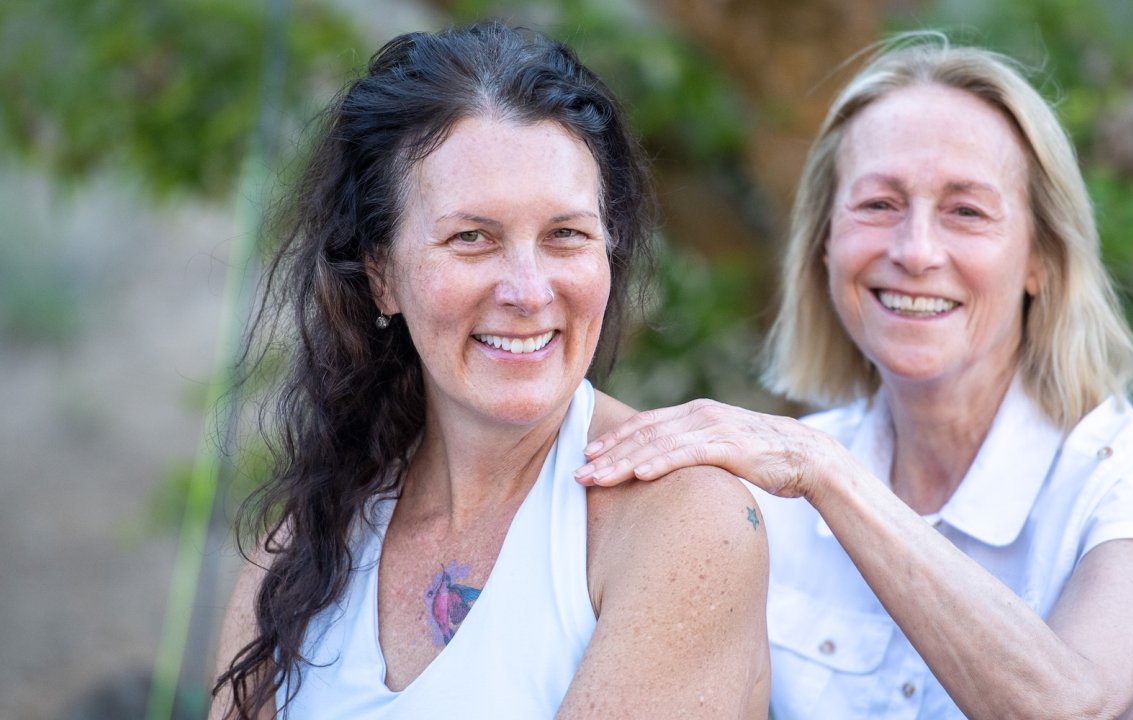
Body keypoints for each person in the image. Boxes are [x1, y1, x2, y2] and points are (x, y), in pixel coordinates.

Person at [577, 34, 1133, 719]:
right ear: (825, 244)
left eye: (966, 211)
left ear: (1040, 258)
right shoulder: (769, 498)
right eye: (879, 205)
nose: (916, 251)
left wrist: (827, 476)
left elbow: (1075, 708)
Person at [207, 21, 769, 720]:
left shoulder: (683, 522)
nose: (529, 292)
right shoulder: (314, 534)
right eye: (472, 238)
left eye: (566, 235)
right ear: (381, 275)